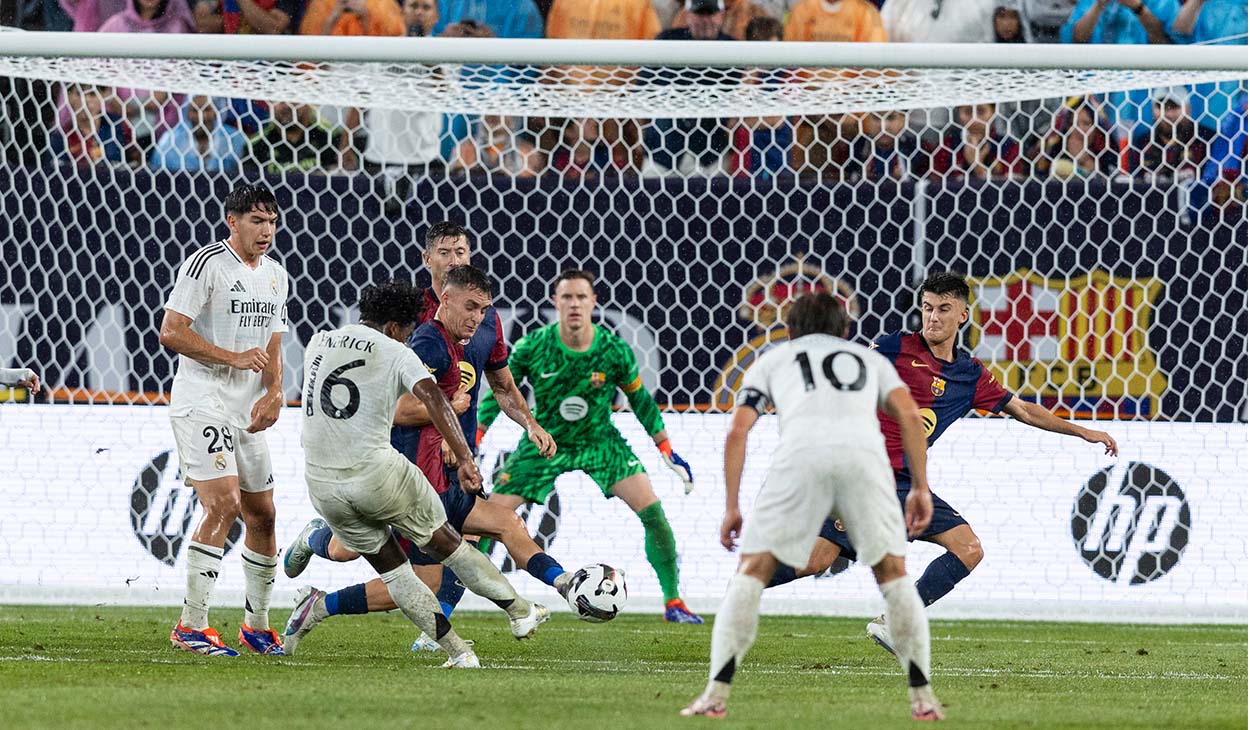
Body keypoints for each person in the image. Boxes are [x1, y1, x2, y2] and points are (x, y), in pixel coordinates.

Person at [764, 272, 1119, 657]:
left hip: (905, 484)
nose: (933, 318)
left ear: (963, 315)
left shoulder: (969, 376)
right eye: (928, 308)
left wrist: (1082, 431)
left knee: (967, 549)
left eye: (944, 309)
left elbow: (1023, 411)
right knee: (815, 561)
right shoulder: (894, 347)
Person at [680, 292, 943, 721]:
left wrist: (732, 505)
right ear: (844, 330)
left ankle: (715, 694)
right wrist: (920, 487)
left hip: (799, 459)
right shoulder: (869, 360)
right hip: (865, 462)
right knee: (893, 575)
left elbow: (737, 431)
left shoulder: (774, 360)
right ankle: (923, 698)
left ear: (791, 330)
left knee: (751, 573)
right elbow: (911, 417)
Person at [282, 264, 569, 654]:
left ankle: (561, 587)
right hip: (408, 474)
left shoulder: (324, 340)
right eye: (471, 306)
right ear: (442, 296)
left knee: (503, 524)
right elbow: (409, 408)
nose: (477, 316)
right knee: (395, 567)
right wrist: (456, 433)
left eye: (483, 309)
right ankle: (320, 599)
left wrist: (528, 425)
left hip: (401, 473)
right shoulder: (424, 345)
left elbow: (502, 384)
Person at [476, 269, 703, 624]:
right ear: (556, 303)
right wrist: (475, 437)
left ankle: (674, 602)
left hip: (600, 441)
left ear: (593, 302)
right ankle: (449, 607)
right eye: (567, 297)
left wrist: (666, 448)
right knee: (484, 520)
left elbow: (641, 401)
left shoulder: (613, 350)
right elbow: (498, 395)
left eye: (582, 296)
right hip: (545, 441)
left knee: (654, 514)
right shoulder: (533, 346)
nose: (575, 304)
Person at [158, 183, 289, 657]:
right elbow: (171, 331)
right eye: (256, 220)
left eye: (272, 221)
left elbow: (274, 344)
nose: (267, 230)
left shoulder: (276, 275)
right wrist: (230, 357)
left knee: (265, 514)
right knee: (224, 504)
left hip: (246, 410)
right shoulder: (206, 263)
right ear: (231, 221)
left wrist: (275, 393)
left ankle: (256, 626)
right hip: (203, 402)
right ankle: (191, 626)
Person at [149, 95, 248, 173]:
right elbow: (158, 174)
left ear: (216, 111)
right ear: (187, 113)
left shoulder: (234, 138)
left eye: (207, 109)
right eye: (195, 110)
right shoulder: (170, 141)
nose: (202, 116)